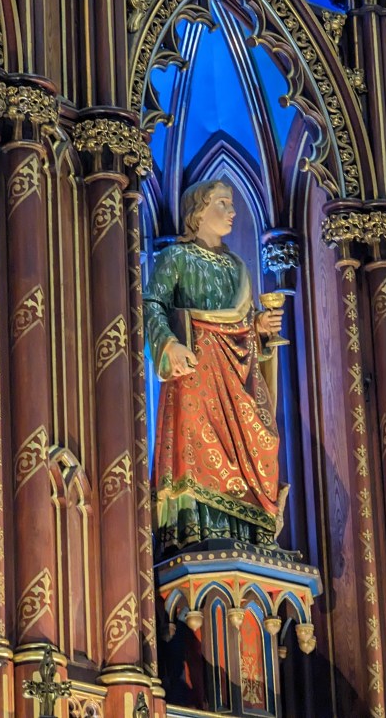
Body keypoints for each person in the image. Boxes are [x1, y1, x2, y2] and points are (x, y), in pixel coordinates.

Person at [145, 180, 284, 554]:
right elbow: (152, 304)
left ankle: (249, 530)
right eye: (223, 203)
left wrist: (259, 328)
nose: (232, 211)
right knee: (196, 448)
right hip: (197, 371)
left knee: (262, 441)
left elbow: (243, 323)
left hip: (236, 375)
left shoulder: (237, 266)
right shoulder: (175, 257)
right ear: (198, 212)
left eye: (232, 204)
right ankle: (198, 527)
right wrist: (169, 343)